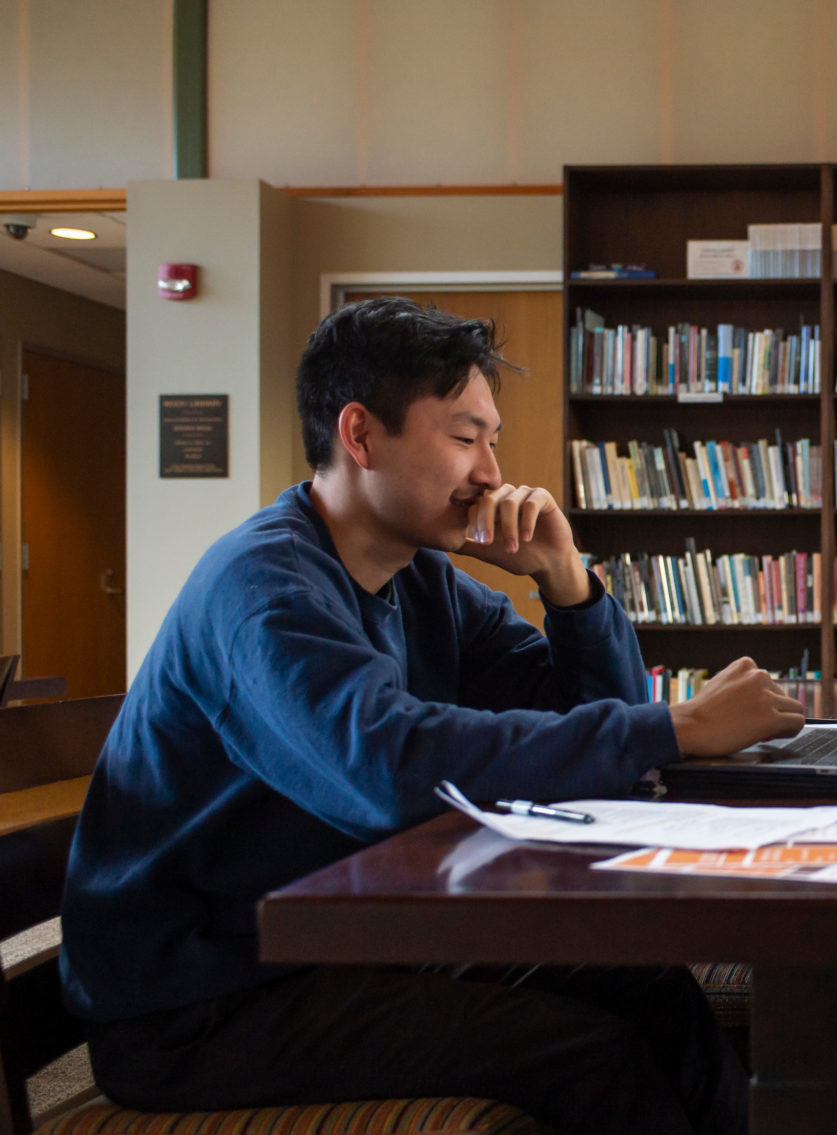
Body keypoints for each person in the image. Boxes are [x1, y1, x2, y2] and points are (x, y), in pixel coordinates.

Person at [60, 297, 796, 1134]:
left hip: (328, 948)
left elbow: (591, 721)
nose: (491, 470)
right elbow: (387, 767)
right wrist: (678, 727)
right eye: (462, 436)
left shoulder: (421, 580)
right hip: (200, 1002)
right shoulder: (262, 587)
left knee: (653, 989)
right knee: (590, 1054)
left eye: (493, 439)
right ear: (361, 434)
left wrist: (565, 578)